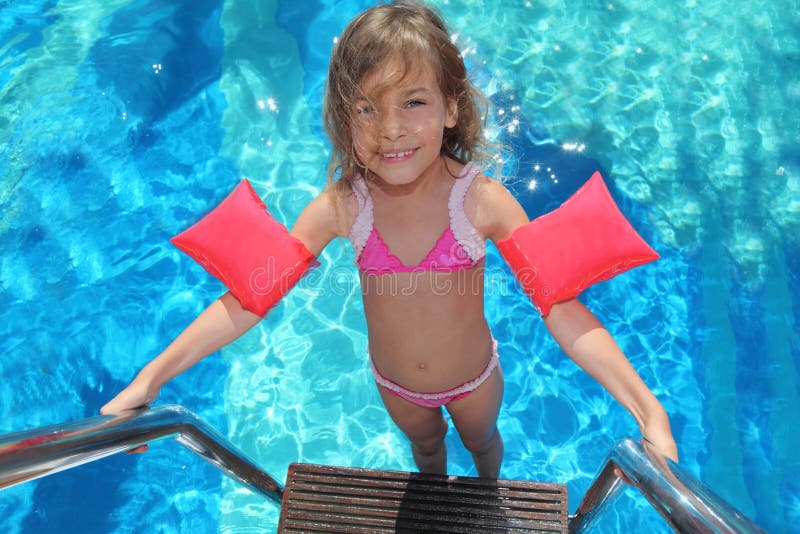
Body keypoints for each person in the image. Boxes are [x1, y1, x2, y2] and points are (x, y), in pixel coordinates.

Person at [101, 0, 678, 478]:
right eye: (366, 108)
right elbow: (249, 299)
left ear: (452, 108)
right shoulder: (344, 205)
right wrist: (148, 380)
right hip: (396, 384)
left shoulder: (478, 202)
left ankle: (488, 493)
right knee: (426, 450)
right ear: (343, 117)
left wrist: (648, 410)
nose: (392, 128)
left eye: (414, 102)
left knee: (482, 444)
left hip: (475, 378)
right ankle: (435, 502)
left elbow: (560, 306)